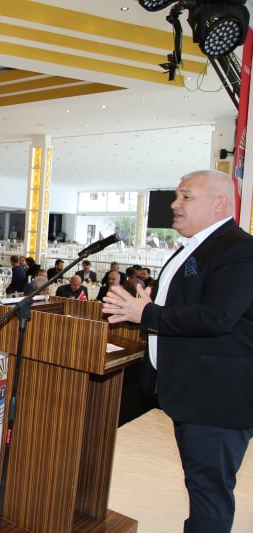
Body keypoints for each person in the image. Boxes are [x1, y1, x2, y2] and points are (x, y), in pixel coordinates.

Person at [103, 170, 253, 532]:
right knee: (200, 485)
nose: (174, 204)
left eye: (186, 196)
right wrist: (145, 307)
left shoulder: (240, 249)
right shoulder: (194, 248)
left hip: (217, 399)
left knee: (209, 493)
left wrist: (145, 313)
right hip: (190, 391)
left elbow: (217, 317)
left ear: (219, 204)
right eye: (176, 195)